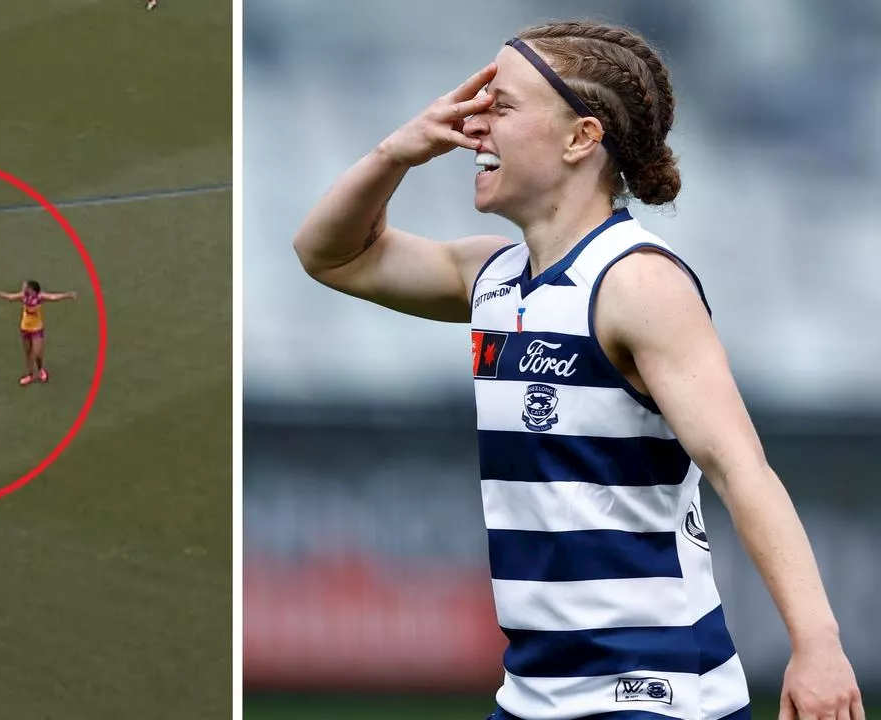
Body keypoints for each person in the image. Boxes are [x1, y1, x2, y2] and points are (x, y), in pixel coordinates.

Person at [292, 20, 864, 720]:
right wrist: (396, 152)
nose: (473, 125)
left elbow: (740, 468)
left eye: (500, 107)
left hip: (653, 691)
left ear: (579, 138)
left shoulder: (636, 285)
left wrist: (819, 645)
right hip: (535, 696)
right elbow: (331, 255)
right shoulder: (491, 277)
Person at [0, 280, 77, 386]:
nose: (23, 287)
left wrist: (68, 295)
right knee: (28, 353)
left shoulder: (40, 297)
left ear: (32, 289)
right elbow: (9, 297)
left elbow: (53, 297)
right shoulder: (23, 296)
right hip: (25, 328)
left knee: (37, 353)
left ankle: (41, 369)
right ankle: (30, 375)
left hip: (37, 329)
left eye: (25, 286)